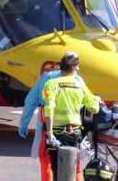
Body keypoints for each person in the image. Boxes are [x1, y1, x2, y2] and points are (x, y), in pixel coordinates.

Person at [18, 61, 85, 181]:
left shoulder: (48, 78)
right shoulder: (78, 79)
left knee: (47, 162)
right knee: (75, 164)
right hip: (73, 129)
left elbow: (30, 101)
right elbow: (89, 103)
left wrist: (24, 123)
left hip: (49, 128)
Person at [42, 52, 100, 181]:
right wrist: (96, 99)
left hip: (56, 133)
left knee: (57, 170)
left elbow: (48, 108)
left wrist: (49, 133)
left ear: (61, 67)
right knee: (71, 170)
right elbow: (94, 108)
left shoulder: (51, 84)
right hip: (74, 133)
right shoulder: (80, 85)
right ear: (75, 68)